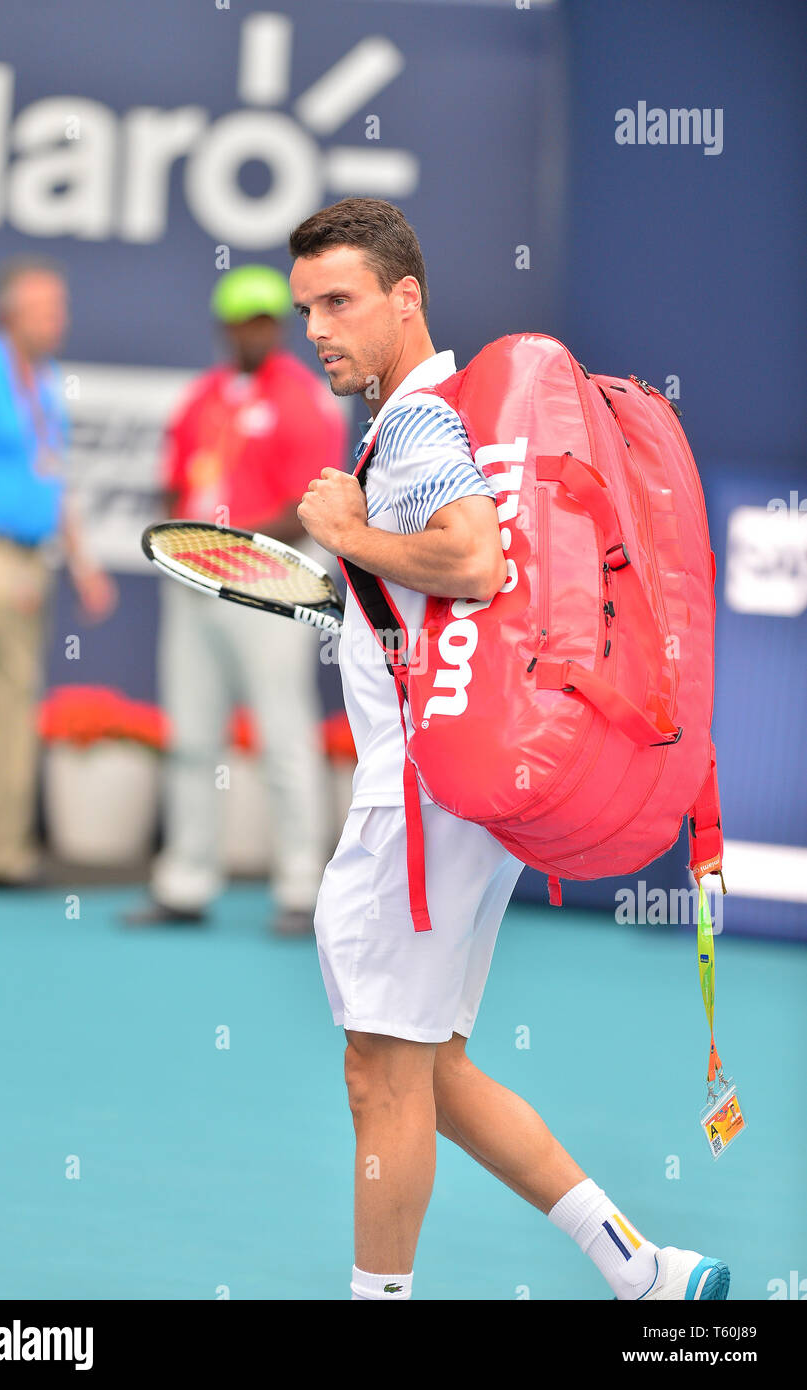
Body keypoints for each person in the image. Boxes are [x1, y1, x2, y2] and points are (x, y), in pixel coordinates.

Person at [288, 197, 730, 1301]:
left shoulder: (424, 422)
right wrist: (361, 583)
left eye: (339, 302)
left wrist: (343, 534)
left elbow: (474, 562)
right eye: (307, 309)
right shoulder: (435, 420)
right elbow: (441, 606)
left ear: (406, 299)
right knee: (427, 1066)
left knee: (376, 1074)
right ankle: (645, 1270)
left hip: (416, 815)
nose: (318, 329)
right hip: (452, 805)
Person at [126, 265, 348, 936]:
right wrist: (184, 542)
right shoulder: (201, 398)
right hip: (196, 585)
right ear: (226, 326)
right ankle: (185, 882)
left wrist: (225, 545)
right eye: (239, 319)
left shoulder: (304, 399)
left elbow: (306, 505)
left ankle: (300, 889)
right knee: (191, 736)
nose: (251, 330)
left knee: (283, 734)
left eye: (262, 318)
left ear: (274, 325)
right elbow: (172, 483)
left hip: (268, 586)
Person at [0, 257, 115, 885]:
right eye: (46, 308)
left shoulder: (43, 381)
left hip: (25, 561)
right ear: (9, 312)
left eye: (59, 307)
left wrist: (83, 565)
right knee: (10, 700)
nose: (58, 320)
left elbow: (53, 475)